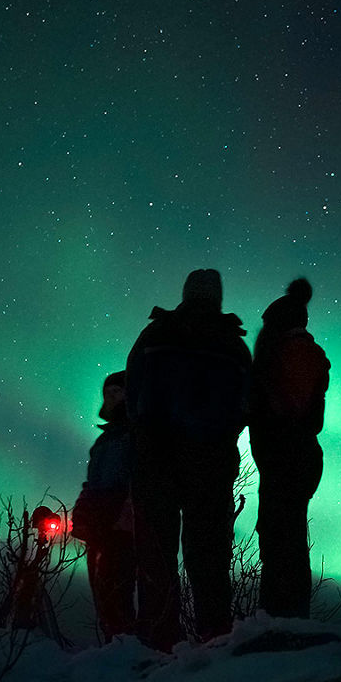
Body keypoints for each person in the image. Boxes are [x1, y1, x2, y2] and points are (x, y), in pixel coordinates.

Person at [125, 268, 251, 651]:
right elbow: (245, 404)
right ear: (217, 297)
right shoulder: (233, 344)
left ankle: (158, 640)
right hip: (210, 465)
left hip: (156, 462)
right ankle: (214, 640)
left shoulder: (155, 334)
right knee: (210, 556)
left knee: (156, 555)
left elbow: (133, 391)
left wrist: (147, 441)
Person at [248, 277, 330, 619]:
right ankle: (288, 615)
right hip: (296, 457)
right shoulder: (306, 354)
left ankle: (282, 618)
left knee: (282, 538)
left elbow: (289, 411)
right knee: (287, 536)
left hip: (285, 457)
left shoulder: (287, 354)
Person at [71, 371, 137, 641]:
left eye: (117, 392)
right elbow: (93, 482)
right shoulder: (104, 441)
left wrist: (127, 511)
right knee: (101, 587)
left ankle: (125, 646)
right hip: (98, 521)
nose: (111, 398)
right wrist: (82, 510)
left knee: (117, 586)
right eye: (108, 393)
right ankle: (114, 646)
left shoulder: (136, 434)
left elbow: (137, 477)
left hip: (120, 521)